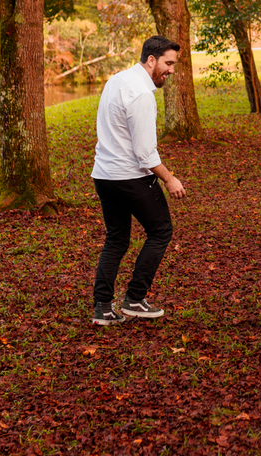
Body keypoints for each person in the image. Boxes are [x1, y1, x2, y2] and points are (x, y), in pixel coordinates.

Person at [89, 35, 187, 326]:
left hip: (104, 175)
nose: (171, 70)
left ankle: (103, 308)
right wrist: (169, 179)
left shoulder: (117, 80)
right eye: (168, 63)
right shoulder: (142, 94)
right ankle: (134, 299)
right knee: (161, 231)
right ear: (152, 60)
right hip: (130, 178)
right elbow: (145, 153)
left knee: (116, 239)